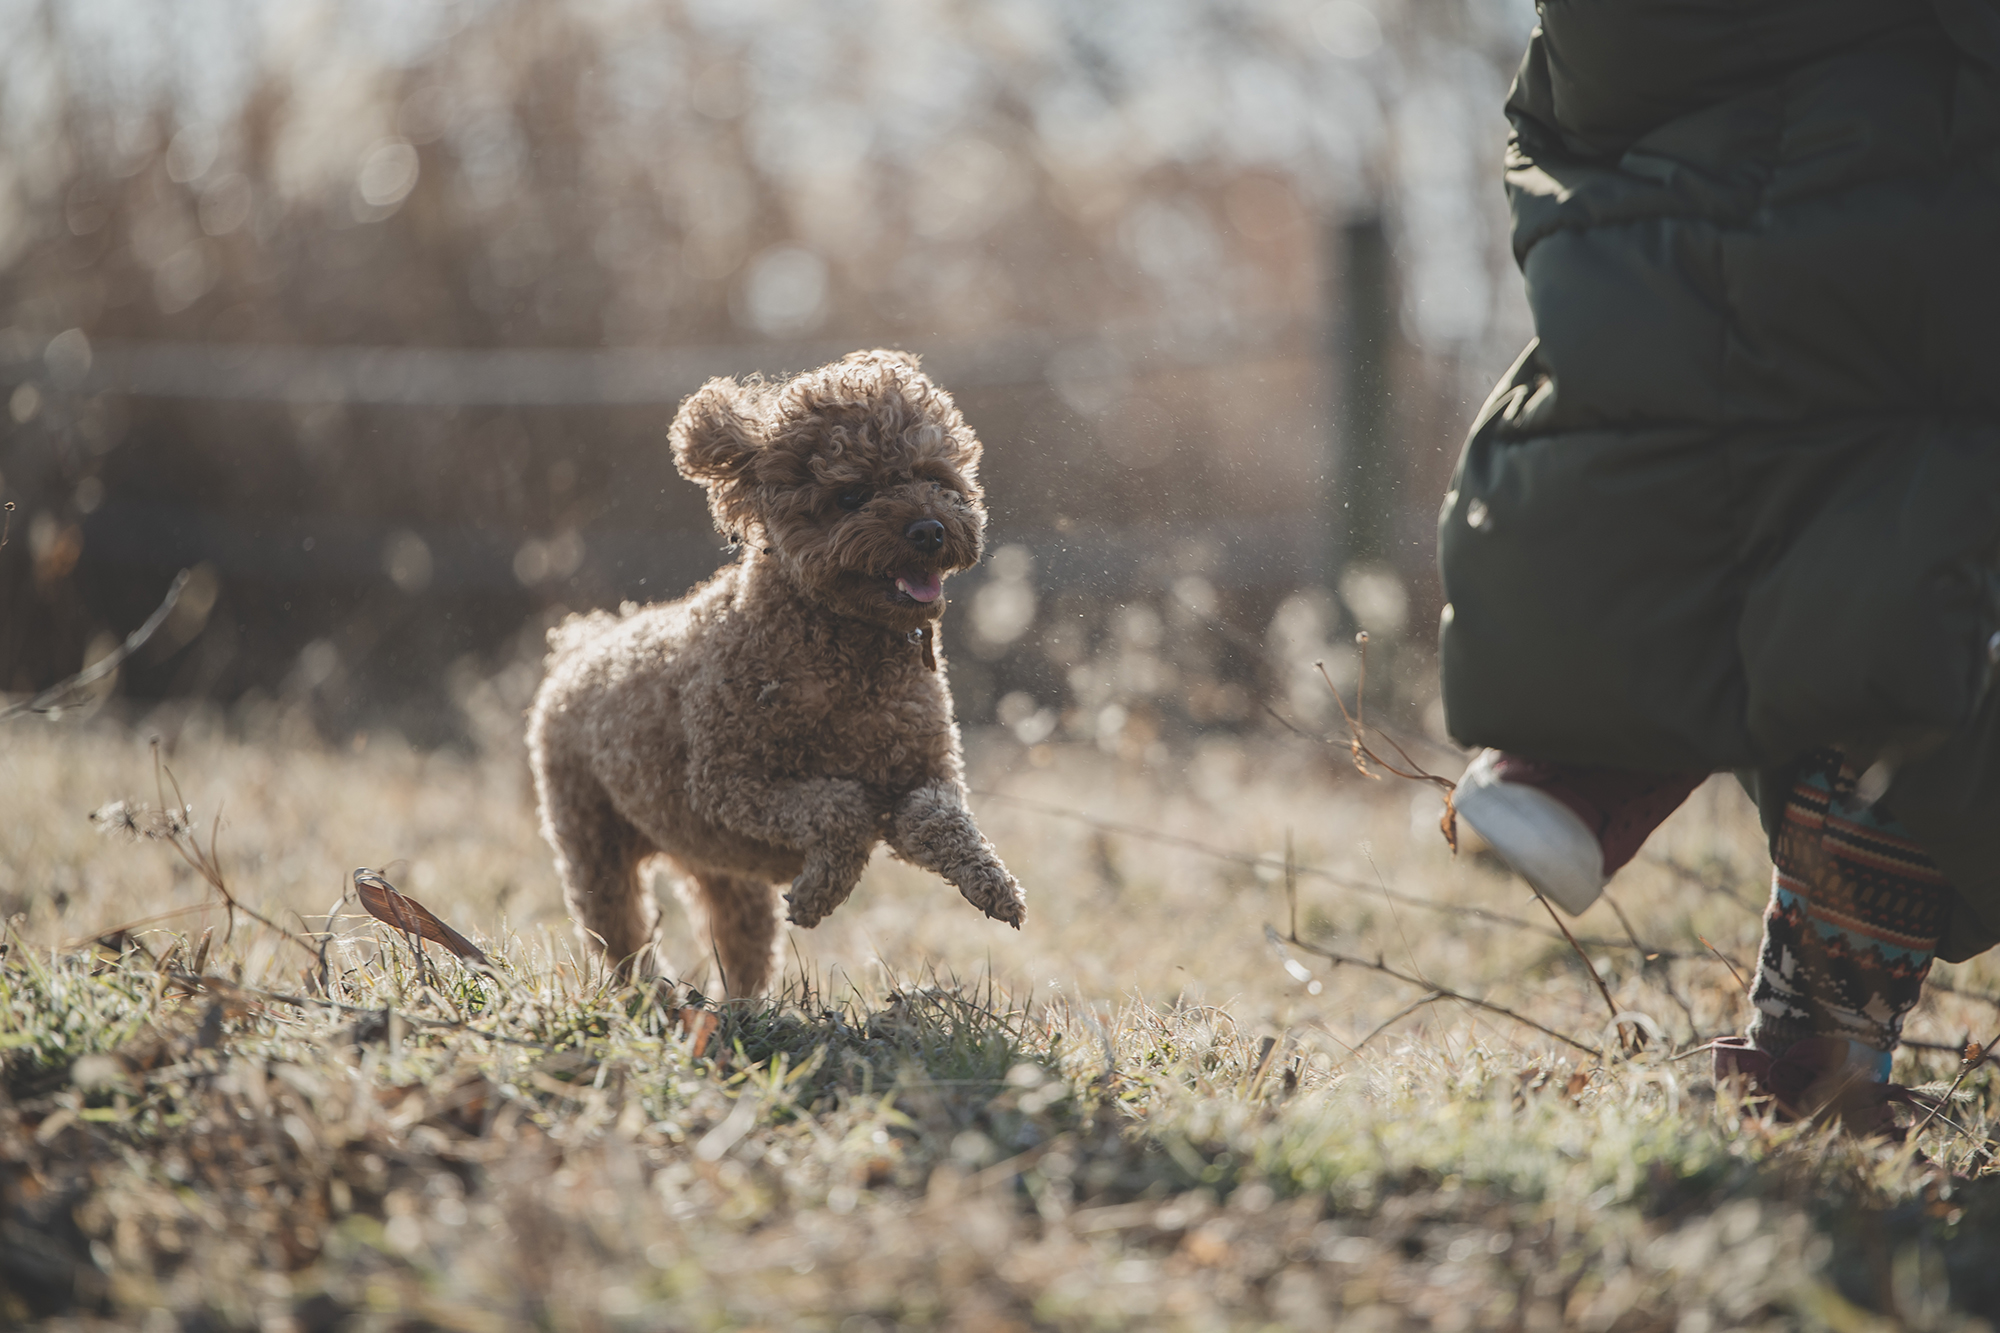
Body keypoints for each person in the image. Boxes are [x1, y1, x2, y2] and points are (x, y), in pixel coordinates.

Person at [1437, 0, 2000, 1130]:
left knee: (1697, 434)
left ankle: (1584, 755)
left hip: (1667, 232)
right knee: (1906, 618)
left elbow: (1565, 102)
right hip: (1902, 199)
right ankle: (1815, 1046)